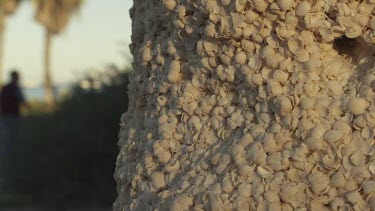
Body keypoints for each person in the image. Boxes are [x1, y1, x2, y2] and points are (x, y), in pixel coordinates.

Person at [0, 70, 26, 147]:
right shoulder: (15, 88)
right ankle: (11, 151)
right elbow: (22, 100)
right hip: (13, 114)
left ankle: (8, 152)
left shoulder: (5, 88)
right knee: (13, 134)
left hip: (5, 114)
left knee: (8, 135)